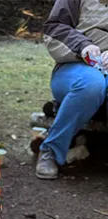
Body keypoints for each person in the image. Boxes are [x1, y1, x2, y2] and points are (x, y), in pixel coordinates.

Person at [38, 0, 108, 179]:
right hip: (76, 68)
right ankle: (51, 151)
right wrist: (83, 46)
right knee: (91, 84)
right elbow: (53, 28)